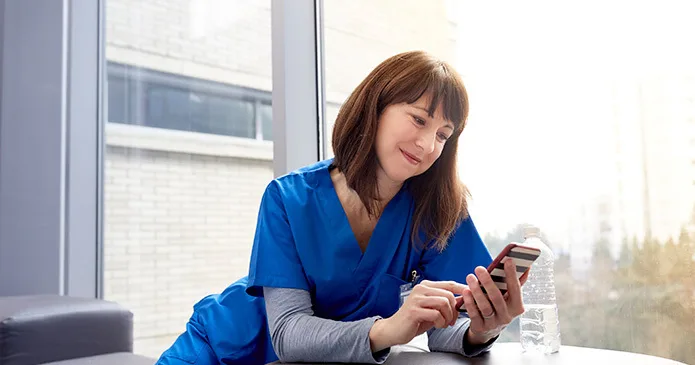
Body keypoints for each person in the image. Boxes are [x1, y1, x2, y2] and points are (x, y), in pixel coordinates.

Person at [156, 50, 528, 365]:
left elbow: (448, 323)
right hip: (220, 347)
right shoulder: (288, 198)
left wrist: (483, 329)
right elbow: (288, 332)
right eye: (419, 119)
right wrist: (389, 328)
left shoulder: (438, 209)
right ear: (376, 108)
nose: (429, 144)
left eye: (443, 135)